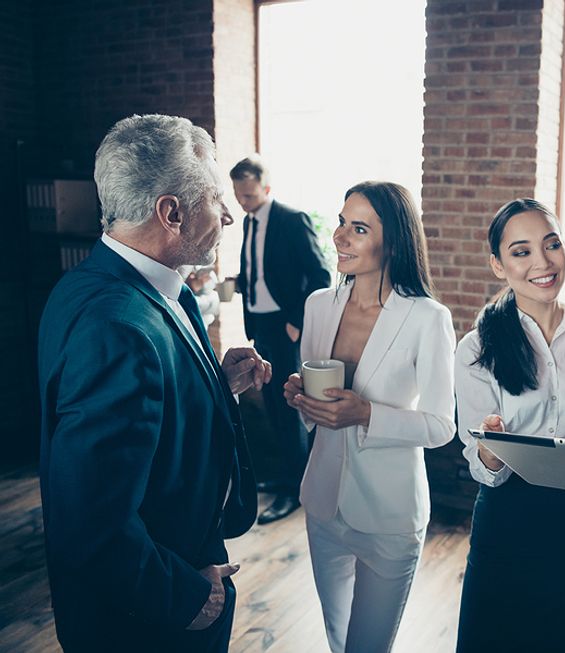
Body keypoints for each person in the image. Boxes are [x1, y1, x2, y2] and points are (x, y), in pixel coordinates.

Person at [37, 114, 272, 652]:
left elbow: (140, 413)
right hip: (150, 616)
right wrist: (188, 599)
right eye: (216, 198)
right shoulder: (114, 325)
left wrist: (214, 384)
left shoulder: (121, 285)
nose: (231, 215)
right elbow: (91, 521)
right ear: (171, 212)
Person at [282, 181, 455, 653]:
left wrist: (366, 414)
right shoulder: (319, 305)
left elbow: (442, 426)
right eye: (341, 222)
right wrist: (300, 398)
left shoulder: (427, 318)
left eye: (358, 228)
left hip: (390, 515)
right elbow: (315, 410)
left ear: (394, 242)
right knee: (340, 642)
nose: (339, 236)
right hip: (322, 504)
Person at [454, 199, 565, 653]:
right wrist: (488, 451)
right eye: (521, 252)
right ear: (498, 265)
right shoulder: (476, 349)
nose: (542, 263)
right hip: (507, 518)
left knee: (559, 639)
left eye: (552, 245)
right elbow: (481, 466)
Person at [230, 155, 332, 524]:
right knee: (272, 401)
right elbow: (262, 268)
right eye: (239, 196)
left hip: (286, 326)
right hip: (259, 324)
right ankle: (287, 475)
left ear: (266, 188)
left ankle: (296, 489)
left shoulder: (292, 219)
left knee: (291, 408)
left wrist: (296, 321)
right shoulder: (248, 221)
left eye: (249, 195)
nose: (243, 202)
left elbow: (320, 274)